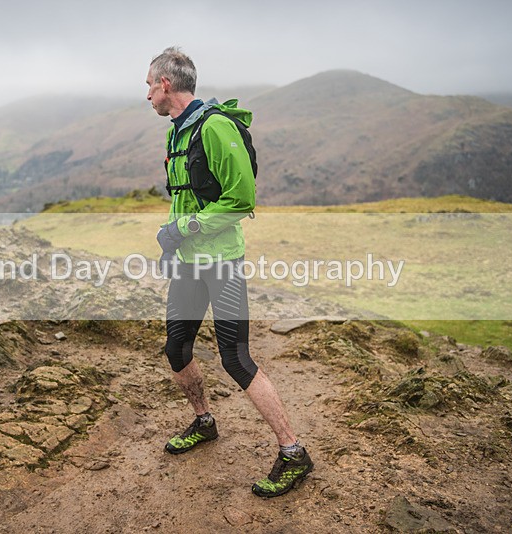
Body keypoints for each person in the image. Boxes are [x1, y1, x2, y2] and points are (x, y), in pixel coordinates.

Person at [146, 46, 314, 498]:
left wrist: (184, 227)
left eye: (149, 85)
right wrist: (173, 237)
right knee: (176, 347)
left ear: (166, 84)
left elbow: (242, 199)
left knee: (235, 358)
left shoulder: (216, 127)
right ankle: (204, 421)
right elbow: (187, 195)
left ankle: (293, 451)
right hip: (187, 264)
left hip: (222, 263)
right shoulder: (175, 134)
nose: (147, 96)